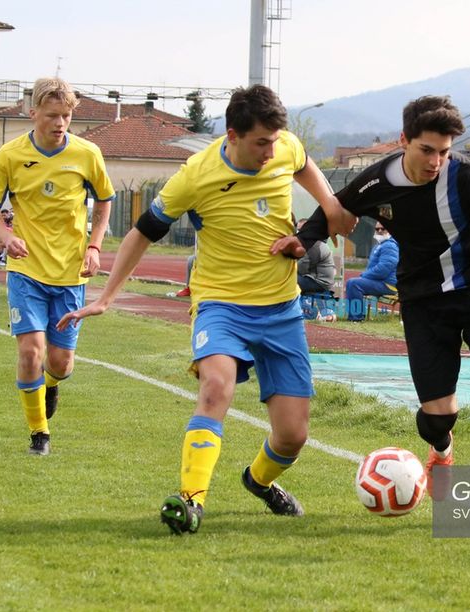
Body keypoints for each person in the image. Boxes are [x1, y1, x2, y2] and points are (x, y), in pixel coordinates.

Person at [56, 84, 348, 535]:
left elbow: (308, 170)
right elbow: (141, 233)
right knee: (216, 386)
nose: (271, 152)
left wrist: (325, 210)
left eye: (275, 141)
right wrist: (106, 297)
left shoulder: (284, 146)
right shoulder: (195, 175)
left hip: (281, 310)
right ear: (232, 134)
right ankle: (192, 500)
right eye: (260, 143)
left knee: (293, 435)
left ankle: (258, 481)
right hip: (220, 306)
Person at [283, 95, 470, 514]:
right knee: (437, 417)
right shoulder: (377, 181)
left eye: (444, 151)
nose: (436, 161)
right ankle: (442, 447)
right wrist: (301, 241)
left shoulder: (468, 177)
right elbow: (333, 211)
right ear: (404, 140)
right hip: (424, 303)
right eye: (427, 150)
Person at [0, 77, 115, 456]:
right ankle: (39, 433)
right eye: (53, 115)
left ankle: (51, 384)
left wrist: (94, 245)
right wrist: (6, 238)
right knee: (30, 352)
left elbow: (104, 202)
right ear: (33, 112)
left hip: (71, 272)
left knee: (61, 362)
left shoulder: (88, 153)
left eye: (68, 116)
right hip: (26, 271)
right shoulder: (10, 155)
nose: (61, 123)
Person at [344, 223, 398, 322]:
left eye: (383, 228)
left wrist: (364, 276)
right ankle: (355, 316)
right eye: (377, 229)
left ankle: (356, 318)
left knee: (354, 283)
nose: (380, 231)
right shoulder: (380, 245)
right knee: (352, 283)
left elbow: (383, 270)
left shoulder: (390, 245)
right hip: (381, 282)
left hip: (388, 284)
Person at [296, 218, 334, 295]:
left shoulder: (314, 245)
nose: (298, 233)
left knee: (287, 280)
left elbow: (302, 267)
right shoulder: (312, 242)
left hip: (320, 283)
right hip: (315, 279)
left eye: (301, 230)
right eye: (297, 230)